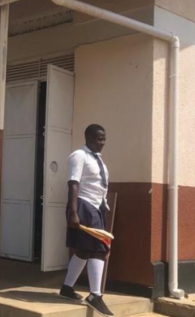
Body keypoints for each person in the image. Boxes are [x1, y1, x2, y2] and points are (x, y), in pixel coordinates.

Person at [59, 124, 114, 316]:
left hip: (96, 207)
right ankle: (95, 295)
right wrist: (73, 212)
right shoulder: (79, 156)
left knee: (84, 249)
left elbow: (100, 186)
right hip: (84, 206)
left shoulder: (98, 159)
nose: (103, 143)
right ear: (89, 138)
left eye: (104, 139)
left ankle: (66, 288)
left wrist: (103, 206)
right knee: (99, 249)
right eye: (100, 139)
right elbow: (73, 184)